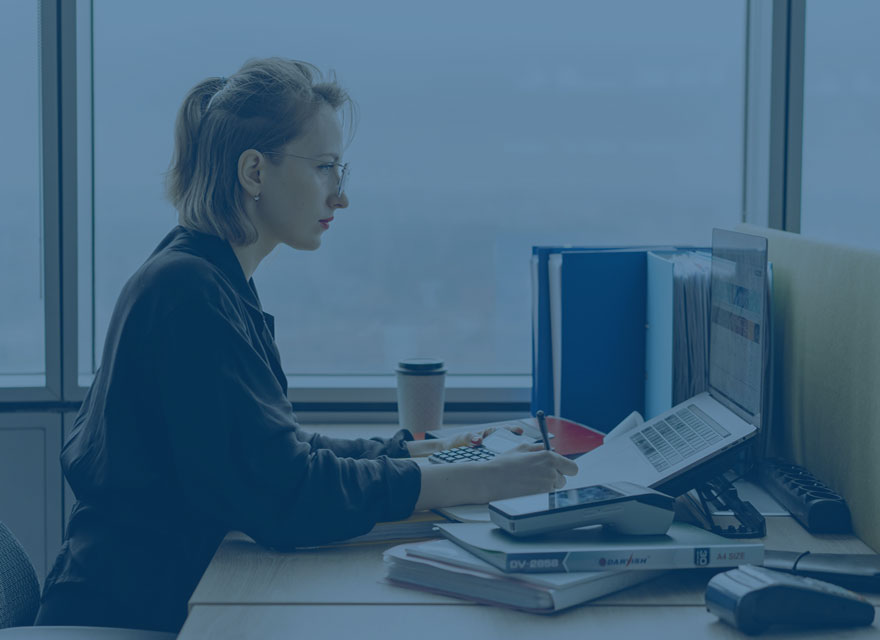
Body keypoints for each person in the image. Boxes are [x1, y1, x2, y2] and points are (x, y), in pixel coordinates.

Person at [35, 57, 578, 633]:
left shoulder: (208, 277)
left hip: (157, 598)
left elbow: (277, 452)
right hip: (122, 619)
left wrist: (427, 451)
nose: (340, 197)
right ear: (254, 172)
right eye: (324, 169)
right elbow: (286, 495)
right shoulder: (188, 292)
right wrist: (481, 480)